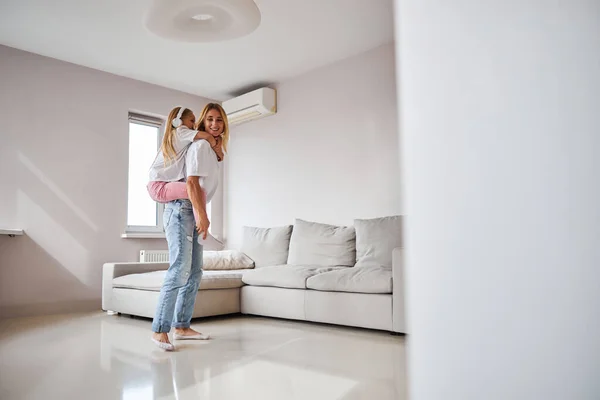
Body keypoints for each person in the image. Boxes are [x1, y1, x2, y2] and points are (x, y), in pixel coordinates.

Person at [151, 103, 229, 351]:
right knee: (180, 268)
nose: (214, 124)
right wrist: (202, 215)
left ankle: (182, 326)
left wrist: (218, 148)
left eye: (219, 120)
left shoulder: (204, 145)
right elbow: (193, 183)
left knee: (195, 271)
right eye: (209, 120)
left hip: (188, 208)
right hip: (182, 210)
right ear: (201, 124)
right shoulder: (198, 143)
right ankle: (160, 329)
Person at [147, 106, 224, 226]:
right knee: (197, 193)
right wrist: (216, 146)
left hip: (159, 185)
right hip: (159, 187)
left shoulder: (182, 138)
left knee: (198, 193)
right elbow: (208, 136)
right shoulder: (180, 131)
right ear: (178, 122)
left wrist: (218, 150)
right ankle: (202, 224)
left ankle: (200, 226)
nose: (194, 125)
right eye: (192, 121)